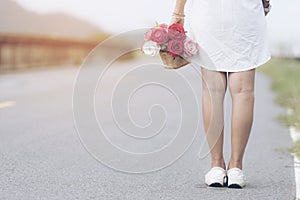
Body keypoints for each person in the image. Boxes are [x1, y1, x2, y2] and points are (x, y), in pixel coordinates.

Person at [170, 0, 272, 188]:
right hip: (245, 14)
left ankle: (216, 166)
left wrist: (178, 13)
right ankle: (236, 168)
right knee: (243, 92)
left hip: (209, 14)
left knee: (213, 91)